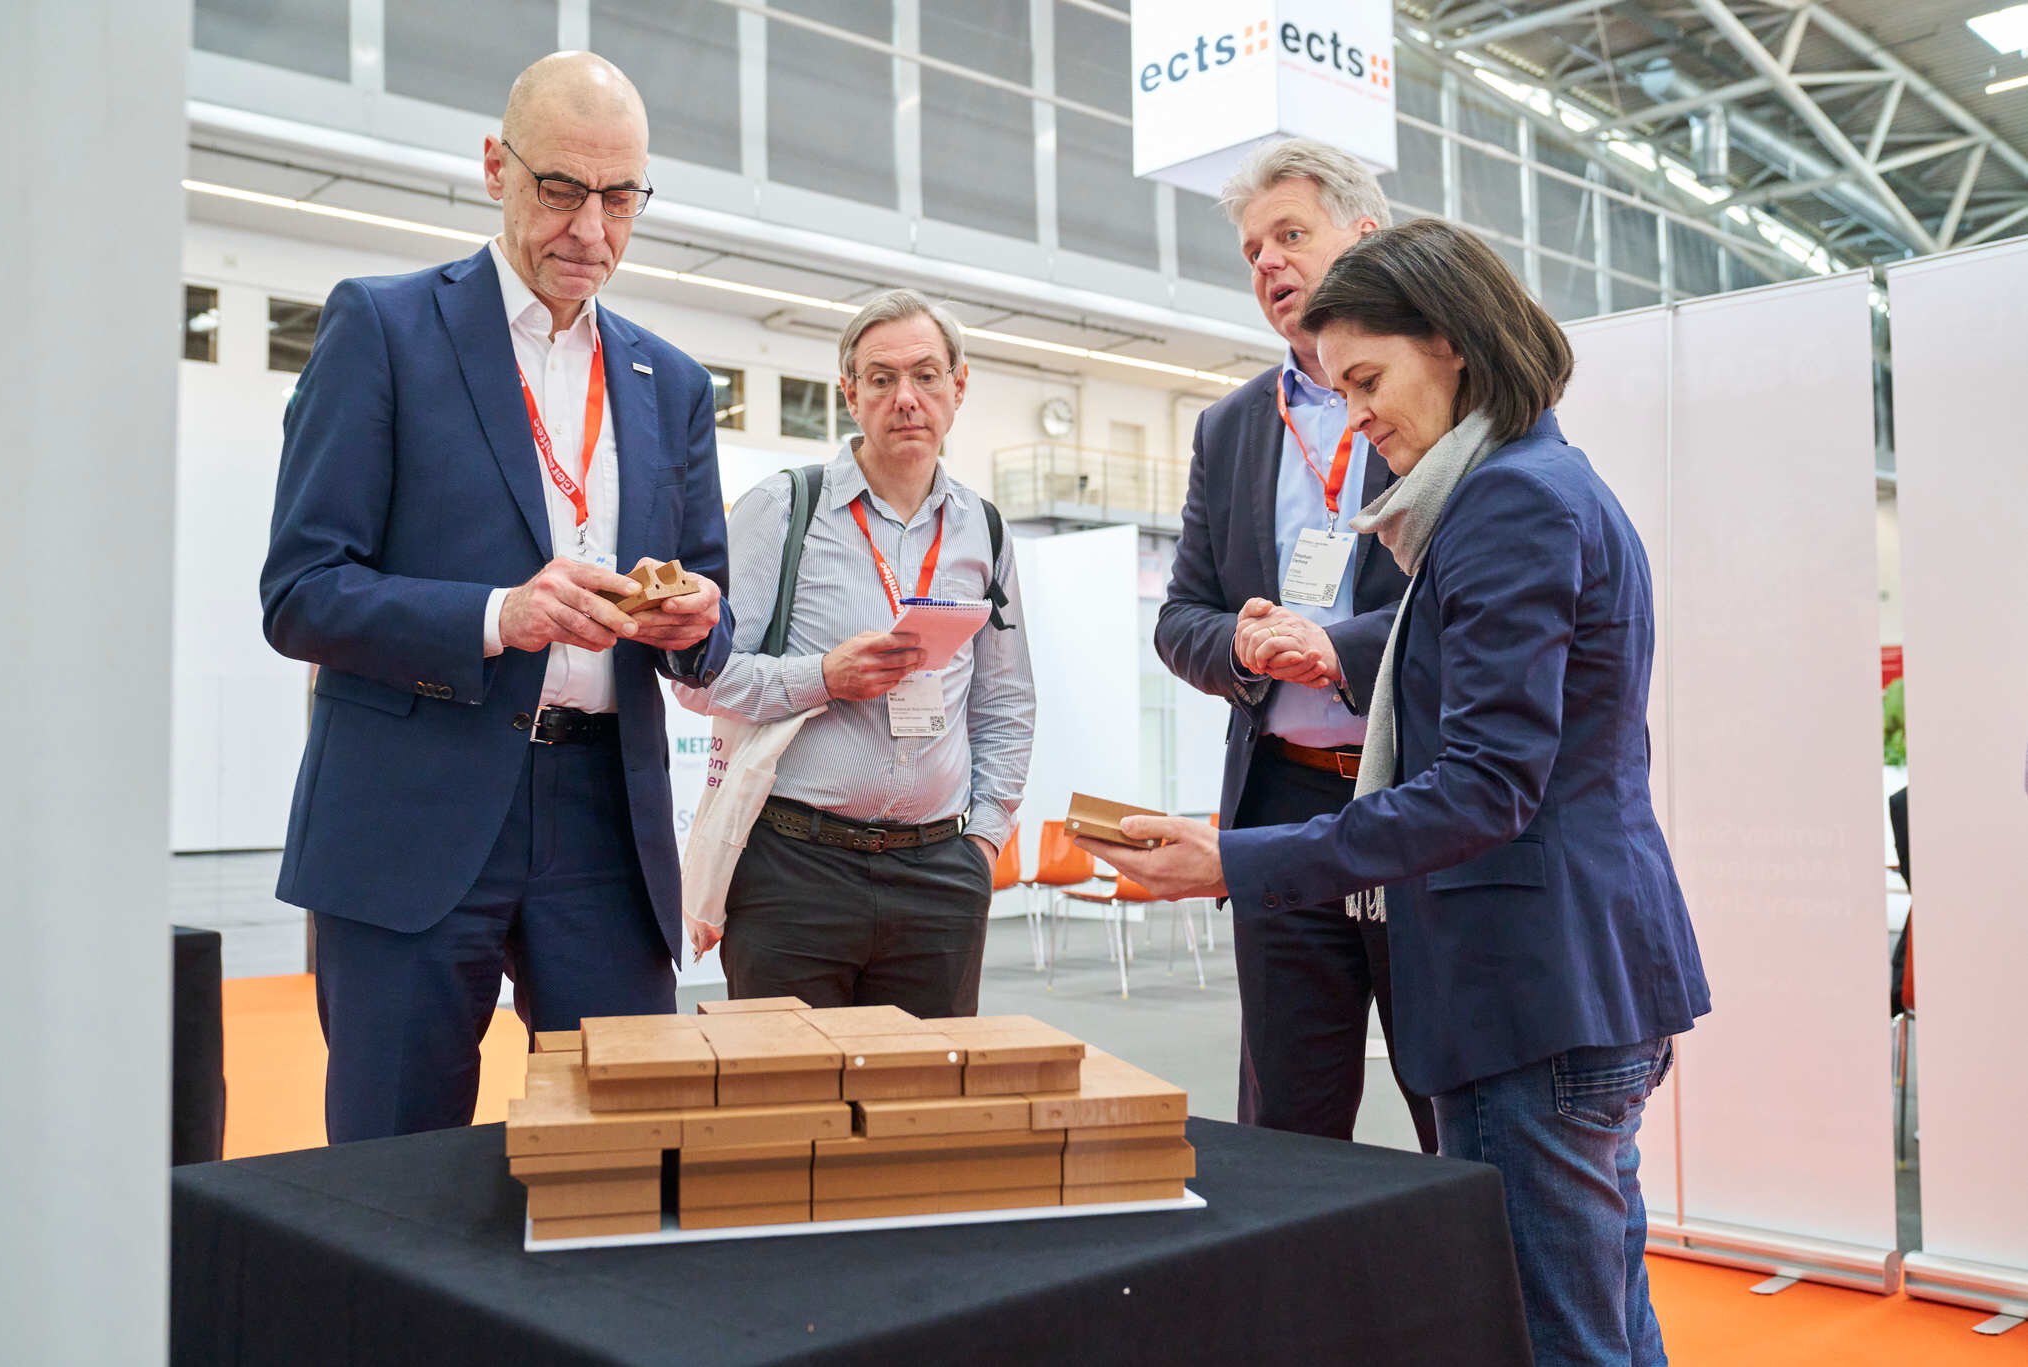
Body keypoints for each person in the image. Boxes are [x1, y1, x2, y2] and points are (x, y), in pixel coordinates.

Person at [1081, 218, 1711, 1367]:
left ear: (1453, 343)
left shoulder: (1510, 504)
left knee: (1553, 1331)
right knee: (1603, 1312)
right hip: (1561, 974)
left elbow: (1481, 787)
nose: (1357, 415)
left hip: (1527, 981)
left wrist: (1232, 856)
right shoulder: (1521, 487)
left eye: (1367, 381)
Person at [259, 52, 732, 1142]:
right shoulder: (381, 330)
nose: (592, 232)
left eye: (621, 199)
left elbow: (710, 616)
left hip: (603, 823)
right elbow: (300, 591)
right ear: (494, 169)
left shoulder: (673, 382)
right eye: (561, 189)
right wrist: (493, 616)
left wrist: (695, 626)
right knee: (395, 1166)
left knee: (627, 1155)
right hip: (413, 805)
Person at [1156, 137, 1436, 1152]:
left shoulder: (1438, 393)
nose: (1267, 261)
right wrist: (1238, 642)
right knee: (1285, 1117)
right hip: (1277, 799)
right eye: (1250, 249)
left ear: (1363, 235)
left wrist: (1339, 649)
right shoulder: (1231, 426)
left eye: (1289, 234)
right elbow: (1178, 614)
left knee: (1448, 1096)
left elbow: (1461, 598)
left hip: (1410, 795)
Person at [677, 289, 1034, 1018]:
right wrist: (823, 677)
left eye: (926, 375)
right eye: (881, 378)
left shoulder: (984, 530)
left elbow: (1005, 699)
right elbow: (700, 679)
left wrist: (985, 842)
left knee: (923, 1109)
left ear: (958, 387)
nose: (906, 398)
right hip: (794, 869)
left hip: (940, 875)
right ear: (850, 393)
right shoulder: (782, 509)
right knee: (786, 1108)